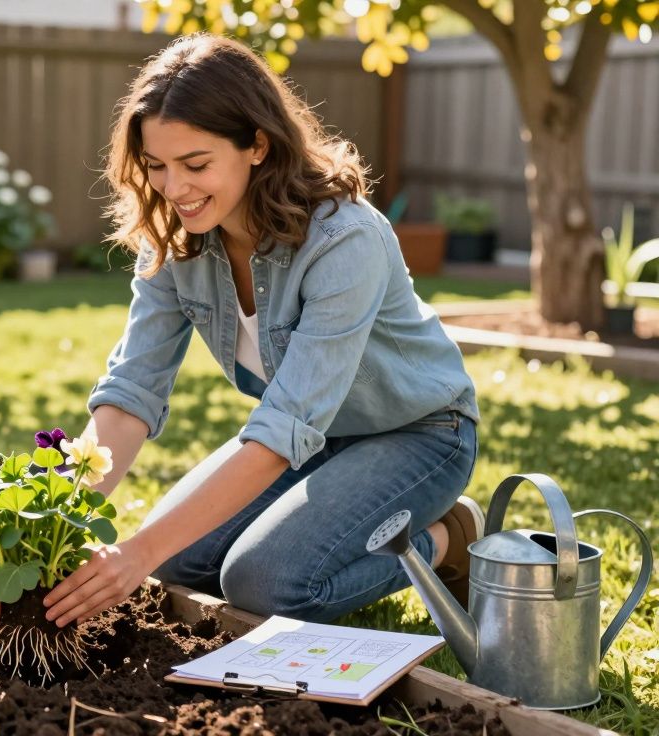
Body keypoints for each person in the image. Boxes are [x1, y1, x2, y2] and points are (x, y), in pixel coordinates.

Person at [39, 33, 485, 629]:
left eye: (196, 164)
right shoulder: (175, 240)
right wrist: (51, 526)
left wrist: (136, 552)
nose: (174, 190)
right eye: (157, 167)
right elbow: (130, 395)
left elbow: (281, 433)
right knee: (173, 566)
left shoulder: (343, 240)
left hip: (418, 434)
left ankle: (450, 537)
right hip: (313, 442)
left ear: (257, 145)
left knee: (263, 583)